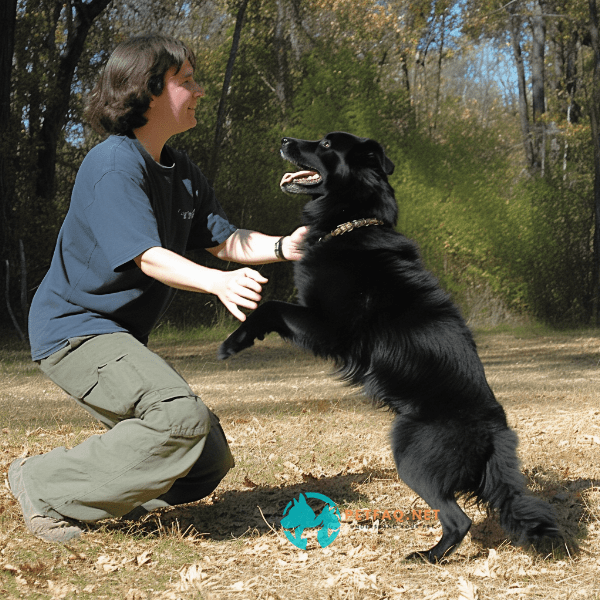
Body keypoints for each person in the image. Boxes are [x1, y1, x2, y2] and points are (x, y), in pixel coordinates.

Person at [8, 33, 307, 543]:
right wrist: (218, 284)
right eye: (186, 81)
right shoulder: (113, 165)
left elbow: (226, 240)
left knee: (206, 458)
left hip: (117, 336)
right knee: (179, 419)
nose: (199, 90)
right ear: (148, 91)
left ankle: (96, 494)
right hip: (74, 331)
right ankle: (42, 481)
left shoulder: (182, 172)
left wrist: (287, 246)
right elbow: (148, 256)